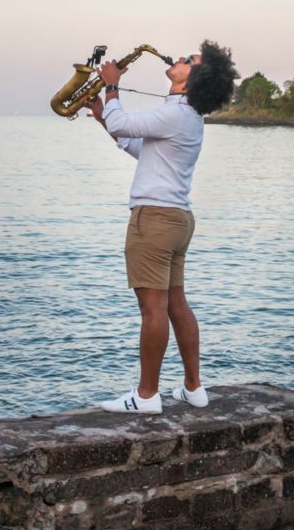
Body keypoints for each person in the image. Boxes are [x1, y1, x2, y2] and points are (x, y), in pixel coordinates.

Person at [83, 40, 238, 414]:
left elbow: (125, 122)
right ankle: (193, 388)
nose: (181, 58)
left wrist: (112, 84)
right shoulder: (185, 117)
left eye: (191, 60)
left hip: (153, 220)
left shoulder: (176, 114)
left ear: (195, 79)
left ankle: (147, 395)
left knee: (153, 311)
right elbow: (138, 148)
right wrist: (105, 116)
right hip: (177, 220)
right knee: (176, 305)